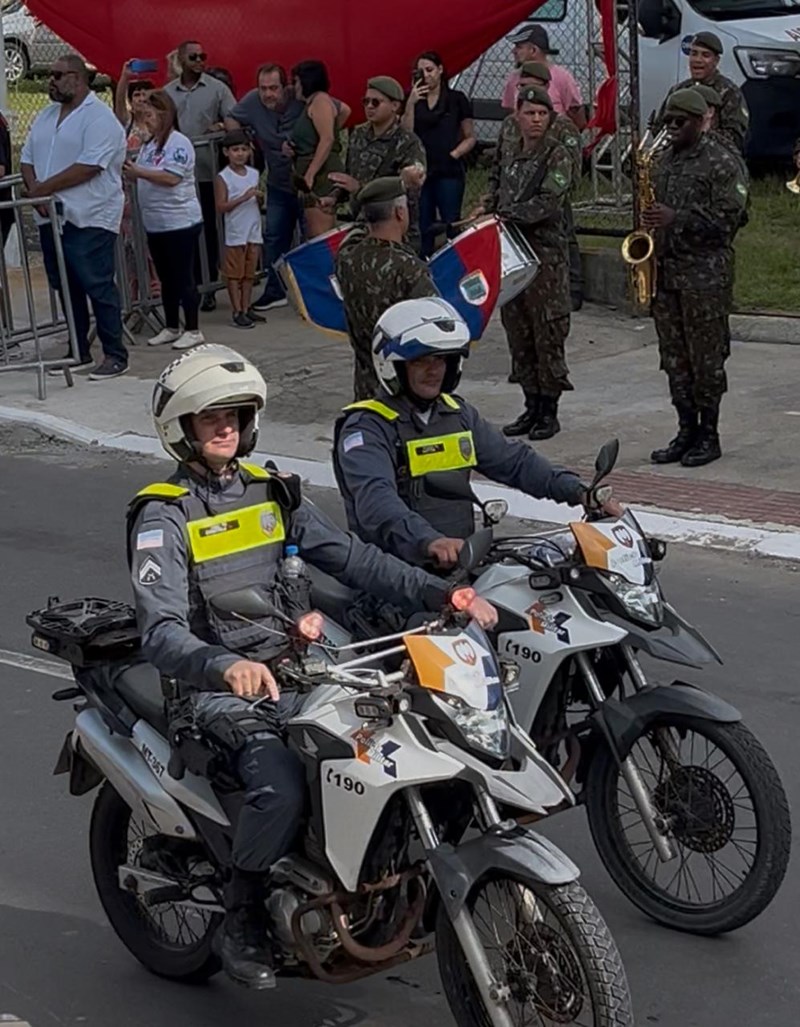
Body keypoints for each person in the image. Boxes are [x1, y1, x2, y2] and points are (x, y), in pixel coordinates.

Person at [127, 343, 496, 989]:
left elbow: (354, 560)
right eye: (211, 416)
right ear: (180, 426)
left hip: (304, 661)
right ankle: (243, 912)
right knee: (280, 782)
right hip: (217, 686)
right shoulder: (163, 515)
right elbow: (158, 629)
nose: (225, 427)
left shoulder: (274, 492)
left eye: (236, 414)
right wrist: (220, 664)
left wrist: (443, 593)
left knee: (411, 725)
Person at [333, 298, 620, 569]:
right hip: (391, 576)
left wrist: (580, 492)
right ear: (392, 365)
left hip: (459, 565)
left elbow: (515, 462)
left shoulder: (456, 415)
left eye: (442, 359)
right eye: (421, 360)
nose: (434, 370)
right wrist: (428, 541)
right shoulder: (366, 428)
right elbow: (375, 502)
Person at [644, 90, 748, 468]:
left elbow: (730, 221)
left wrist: (679, 217)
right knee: (674, 358)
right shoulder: (664, 161)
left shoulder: (722, 162)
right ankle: (685, 429)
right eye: (667, 122)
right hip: (667, 273)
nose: (670, 130)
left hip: (705, 277)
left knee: (706, 360)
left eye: (678, 123)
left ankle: (709, 434)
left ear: (698, 121)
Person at [20, 53, 128, 380]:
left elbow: (90, 166)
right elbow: (26, 158)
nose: (49, 81)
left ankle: (115, 353)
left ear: (77, 79)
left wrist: (43, 190)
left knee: (96, 284)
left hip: (89, 216)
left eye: (56, 75)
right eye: (49, 75)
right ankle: (78, 350)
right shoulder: (46, 115)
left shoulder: (100, 119)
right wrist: (35, 188)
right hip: (51, 217)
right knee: (65, 285)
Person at [483, 86, 573, 440]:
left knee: (547, 333)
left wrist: (506, 215)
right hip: (512, 256)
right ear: (517, 116)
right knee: (519, 332)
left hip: (545, 259)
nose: (536, 120)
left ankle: (549, 411)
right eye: (530, 113)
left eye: (542, 114)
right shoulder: (511, 152)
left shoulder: (557, 155)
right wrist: (489, 206)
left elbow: (549, 201)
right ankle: (530, 405)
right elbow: (498, 187)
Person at [335, 177, 438, 400]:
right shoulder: (410, 269)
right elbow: (433, 328)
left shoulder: (347, 257)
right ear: (400, 213)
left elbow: (356, 233)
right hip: (401, 392)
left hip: (365, 390)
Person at [124, 90, 205, 351]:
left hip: (179, 221)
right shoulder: (149, 145)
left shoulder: (178, 143)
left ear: (164, 114)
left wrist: (140, 172)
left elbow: (172, 178)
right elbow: (147, 173)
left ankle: (193, 328)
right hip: (156, 222)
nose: (145, 120)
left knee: (183, 277)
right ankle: (171, 325)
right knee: (167, 277)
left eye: (149, 115)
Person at [502, 60, 583, 314]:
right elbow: (499, 166)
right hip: (515, 210)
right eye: (521, 85)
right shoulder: (510, 126)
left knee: (564, 240)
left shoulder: (561, 128)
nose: (524, 90)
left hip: (550, 204)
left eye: (530, 85)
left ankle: (575, 290)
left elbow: (570, 169)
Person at [164, 40, 236, 311]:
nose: (199, 60)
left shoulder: (218, 89)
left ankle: (209, 285)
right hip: (178, 177)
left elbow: (234, 121)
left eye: (202, 56)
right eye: (193, 56)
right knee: (185, 233)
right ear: (181, 60)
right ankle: (190, 284)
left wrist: (219, 127)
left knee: (209, 232)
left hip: (208, 172)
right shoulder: (168, 92)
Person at [327, 76, 426, 252]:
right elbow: (351, 175)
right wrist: (334, 197)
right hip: (361, 228)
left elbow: (409, 188)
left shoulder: (407, 142)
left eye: (375, 102)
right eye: (365, 101)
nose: (369, 107)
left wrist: (360, 188)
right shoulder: (358, 134)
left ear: (395, 106)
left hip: (394, 235)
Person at [401, 52, 475, 258]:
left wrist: (455, 154)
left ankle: (453, 262)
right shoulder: (414, 98)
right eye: (421, 71)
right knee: (422, 223)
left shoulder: (456, 99)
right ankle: (424, 263)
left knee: (450, 221)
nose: (426, 75)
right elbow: (406, 133)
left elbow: (470, 137)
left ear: (440, 70)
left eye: (430, 70)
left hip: (448, 169)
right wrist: (411, 104)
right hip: (422, 169)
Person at [655, 32, 748, 157]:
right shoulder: (679, 90)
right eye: (694, 54)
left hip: (713, 159)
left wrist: (696, 133)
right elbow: (660, 128)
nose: (698, 60)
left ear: (716, 61)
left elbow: (735, 139)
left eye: (705, 55)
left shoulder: (729, 93)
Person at [289, 60, 344, 239]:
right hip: (309, 170)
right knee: (313, 233)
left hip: (320, 178)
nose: (294, 86)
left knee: (320, 236)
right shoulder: (314, 103)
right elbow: (345, 111)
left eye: (296, 81)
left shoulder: (321, 102)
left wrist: (310, 174)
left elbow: (327, 139)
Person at [215, 130, 264, 329]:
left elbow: (258, 203)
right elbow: (220, 206)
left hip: (253, 228)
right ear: (227, 152)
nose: (240, 154)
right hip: (236, 231)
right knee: (235, 274)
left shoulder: (254, 174)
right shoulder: (223, 177)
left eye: (244, 149)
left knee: (249, 273)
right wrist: (244, 197)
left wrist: (259, 199)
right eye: (236, 150)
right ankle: (237, 310)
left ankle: (246, 306)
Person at [501, 25, 586, 131]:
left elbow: (577, 117)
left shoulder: (562, 77)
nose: (513, 51)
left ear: (533, 50)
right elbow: (510, 113)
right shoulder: (514, 78)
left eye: (518, 47)